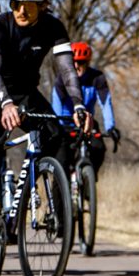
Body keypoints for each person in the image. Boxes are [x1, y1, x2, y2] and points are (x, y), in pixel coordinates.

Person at [0, 0, 91, 272]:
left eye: (30, 4)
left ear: (44, 5)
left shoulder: (53, 27)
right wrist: (5, 103)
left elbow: (67, 70)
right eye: (16, 3)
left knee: (60, 138)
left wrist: (78, 105)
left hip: (26, 92)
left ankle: (59, 211)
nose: (21, 10)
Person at [51, 41, 118, 177]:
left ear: (87, 63)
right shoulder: (62, 79)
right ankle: (63, 191)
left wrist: (110, 127)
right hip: (65, 124)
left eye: (81, 62)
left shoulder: (97, 78)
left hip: (88, 123)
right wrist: (57, 128)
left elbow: (106, 103)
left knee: (99, 148)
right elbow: (56, 106)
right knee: (61, 164)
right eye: (74, 62)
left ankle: (89, 179)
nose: (77, 66)